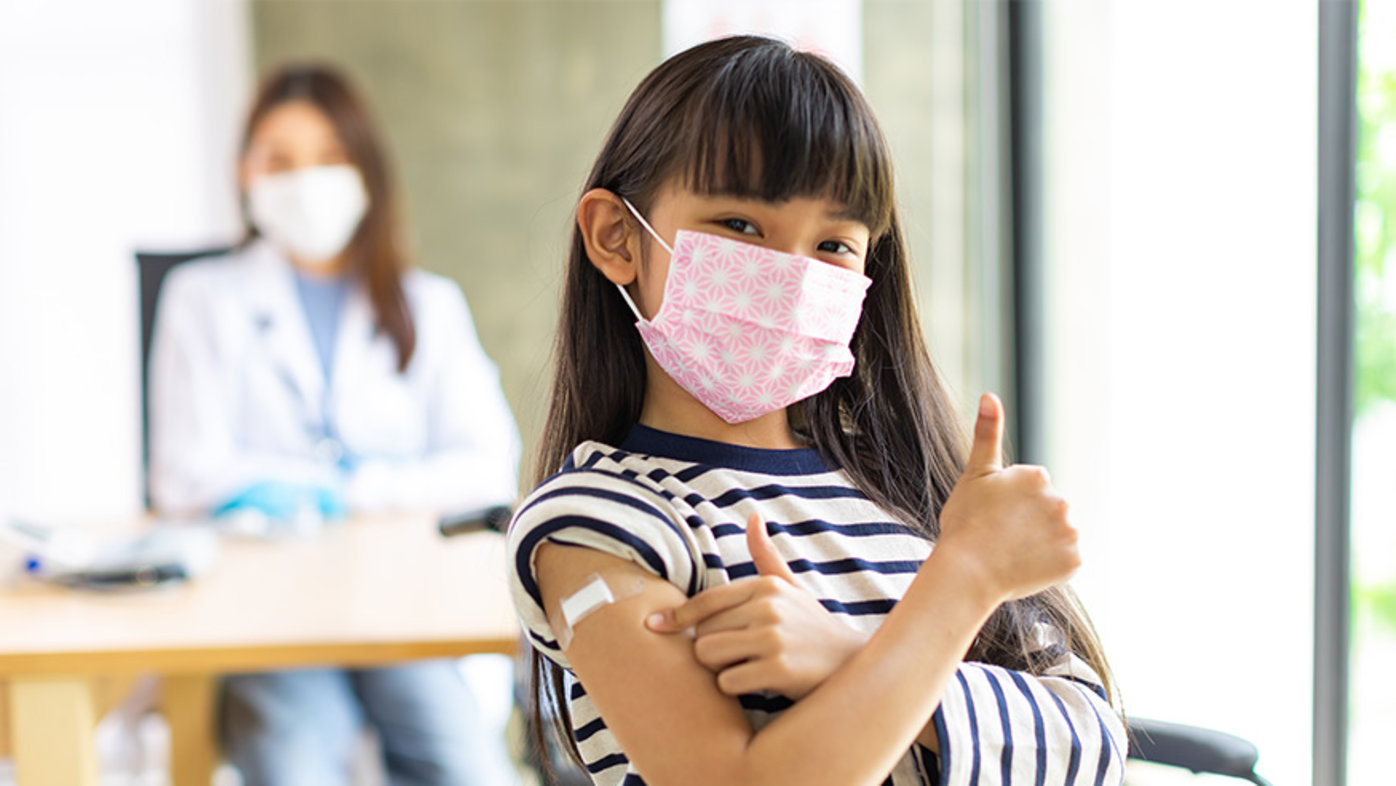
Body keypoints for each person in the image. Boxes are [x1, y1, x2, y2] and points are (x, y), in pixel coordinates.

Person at [505, 36, 1125, 786]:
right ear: (617, 236)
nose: (792, 275)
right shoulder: (597, 523)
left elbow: (1089, 740)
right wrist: (960, 578)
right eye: (739, 226)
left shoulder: (911, 486)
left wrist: (843, 656)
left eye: (833, 243)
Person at [148, 63, 520, 785]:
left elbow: (484, 463)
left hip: (403, 605)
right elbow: (183, 475)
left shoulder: (427, 304)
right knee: (291, 759)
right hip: (271, 612)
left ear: (365, 171)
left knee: (462, 764)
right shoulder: (202, 299)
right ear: (244, 174)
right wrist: (308, 490)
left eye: (327, 158)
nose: (303, 181)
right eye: (278, 160)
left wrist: (349, 490)